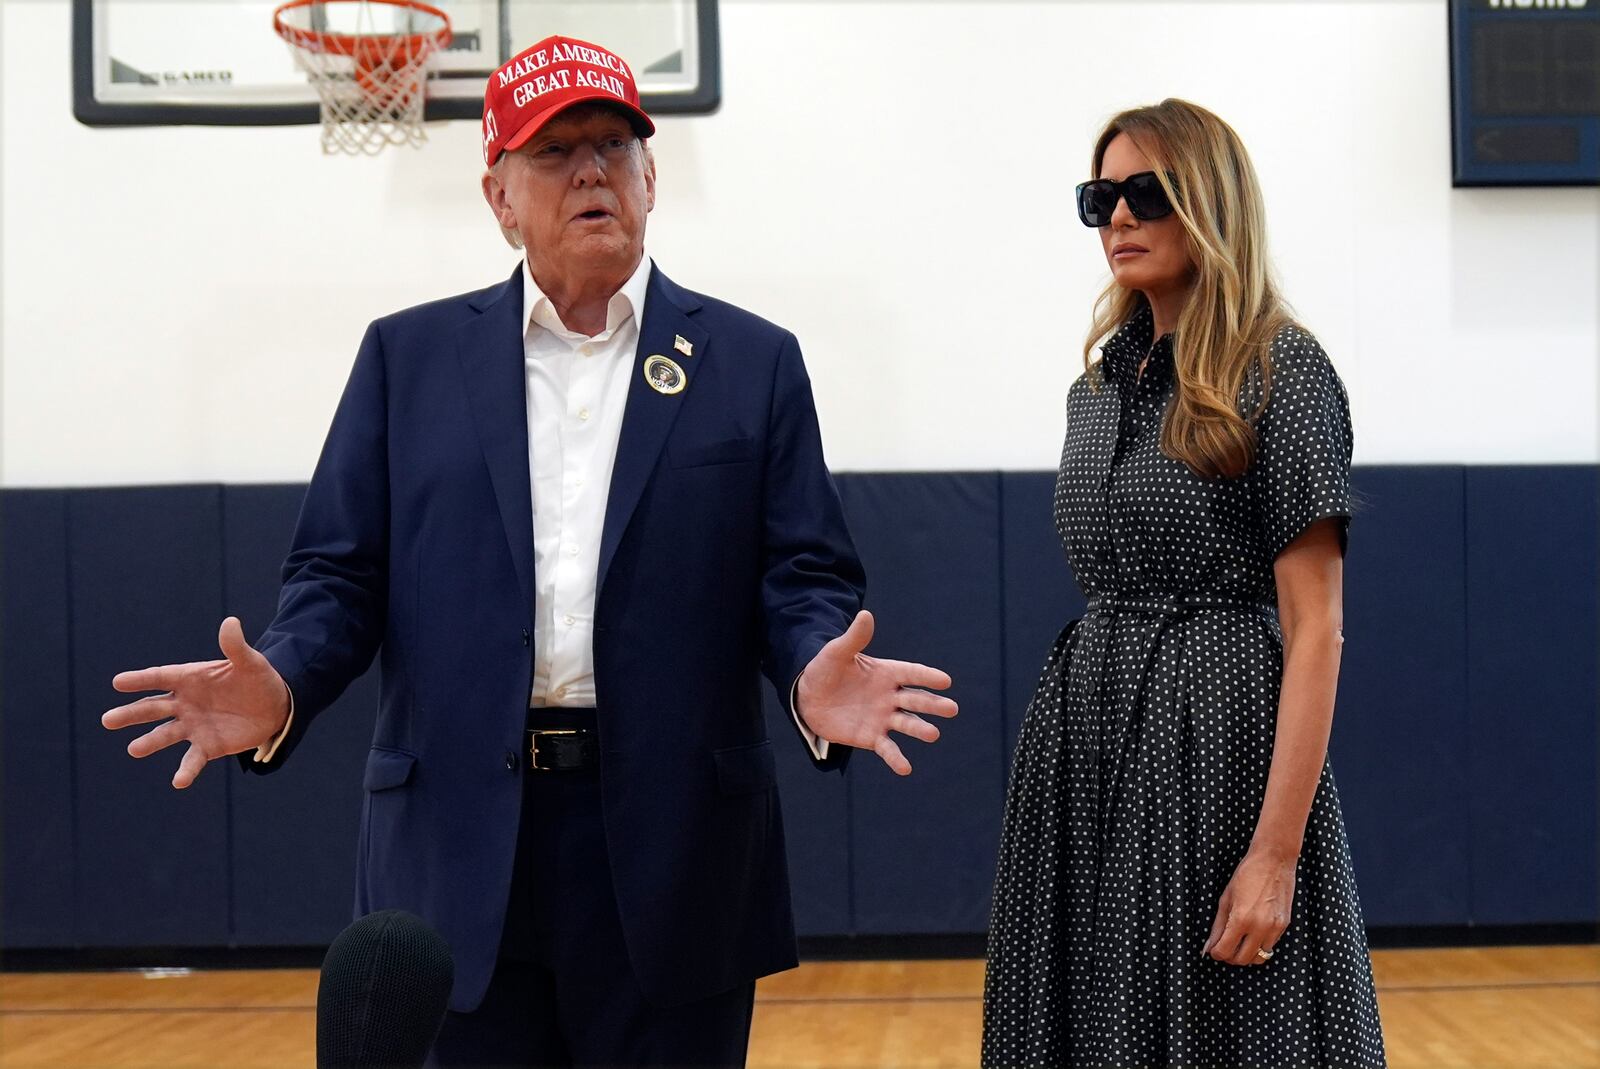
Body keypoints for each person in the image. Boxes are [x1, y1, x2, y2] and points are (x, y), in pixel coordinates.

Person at [101, 35, 958, 1069]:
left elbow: (801, 577)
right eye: (554, 151)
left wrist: (813, 665)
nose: (591, 170)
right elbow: (339, 575)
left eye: (612, 144)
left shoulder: (751, 362)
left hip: (676, 850)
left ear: (651, 178)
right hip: (458, 849)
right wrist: (283, 680)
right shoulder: (404, 359)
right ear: (497, 195)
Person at [982, 99, 1386, 1068]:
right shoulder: (1097, 388)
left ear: (1209, 201)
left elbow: (1316, 624)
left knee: (1227, 1027)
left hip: (1218, 745)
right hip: (1085, 740)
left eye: (1144, 194)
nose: (1117, 218)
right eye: (1099, 198)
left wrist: (1274, 854)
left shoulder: (1279, 370)